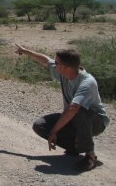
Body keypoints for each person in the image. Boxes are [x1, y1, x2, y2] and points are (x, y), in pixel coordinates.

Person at [15, 44, 110, 172]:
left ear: (64, 67)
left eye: (57, 62)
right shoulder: (64, 73)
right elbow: (45, 61)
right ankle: (75, 147)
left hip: (96, 121)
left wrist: (54, 131)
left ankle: (90, 156)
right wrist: (26, 51)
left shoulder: (87, 82)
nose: (54, 64)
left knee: (78, 111)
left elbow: (73, 108)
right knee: (40, 125)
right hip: (75, 117)